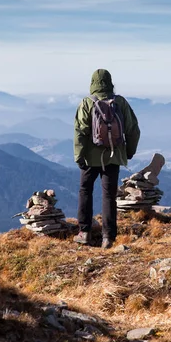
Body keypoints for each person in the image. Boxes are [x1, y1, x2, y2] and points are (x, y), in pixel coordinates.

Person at [73, 69, 140, 248]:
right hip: (114, 155)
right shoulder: (121, 102)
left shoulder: (87, 103)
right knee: (109, 195)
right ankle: (108, 237)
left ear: (92, 83)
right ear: (110, 82)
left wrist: (79, 156)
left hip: (90, 158)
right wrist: (129, 152)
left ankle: (84, 232)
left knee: (85, 190)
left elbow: (80, 132)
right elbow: (133, 130)